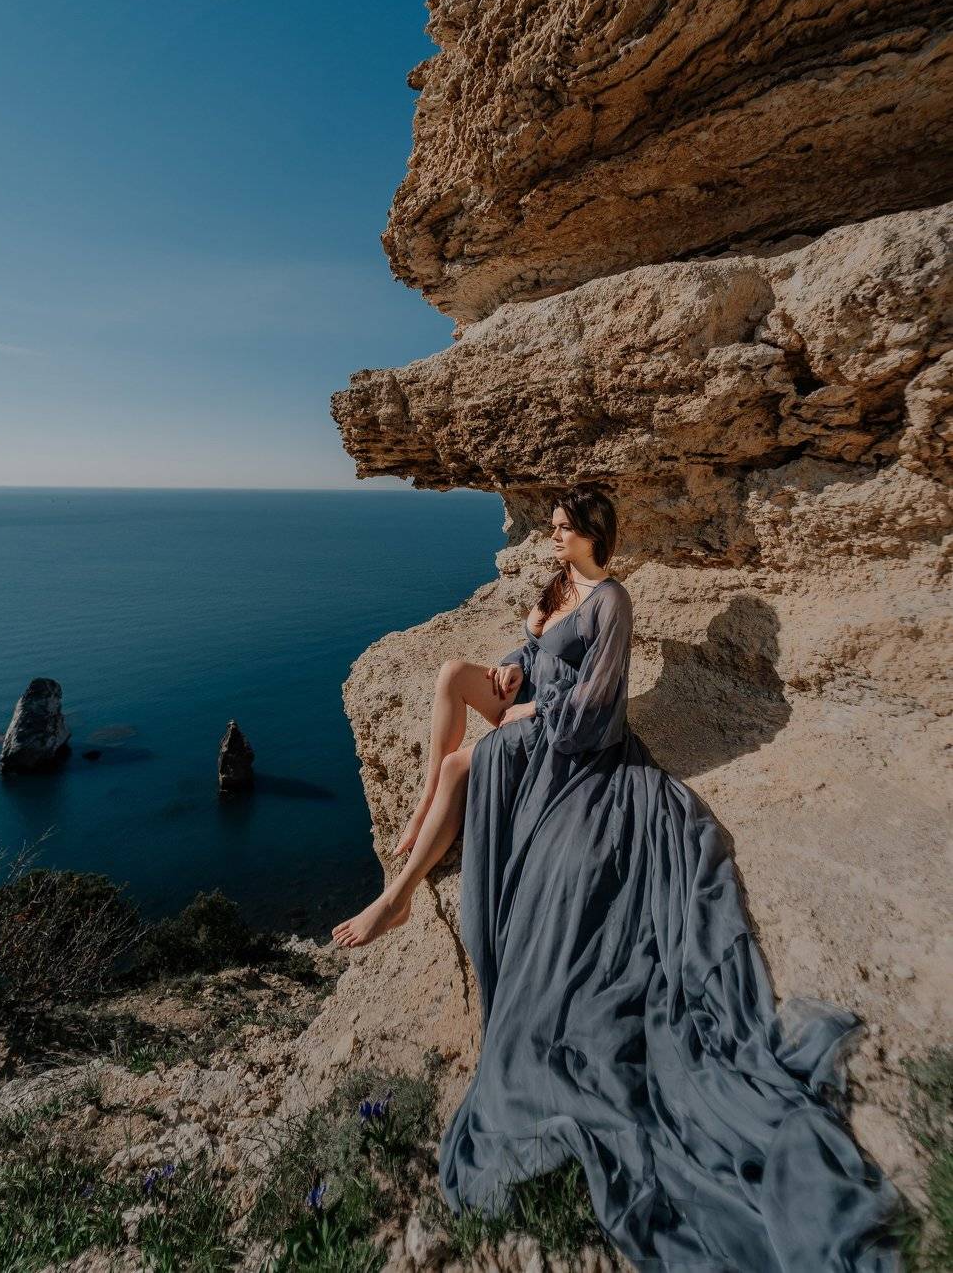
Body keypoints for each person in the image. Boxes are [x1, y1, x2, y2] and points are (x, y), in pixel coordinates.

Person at [333, 485, 902, 1270]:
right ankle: (424, 807)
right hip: (535, 715)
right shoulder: (558, 588)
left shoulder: (612, 602)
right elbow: (533, 655)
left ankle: (396, 897)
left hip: (573, 750)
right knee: (451, 675)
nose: (551, 537)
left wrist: (531, 713)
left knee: (473, 760)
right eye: (550, 527)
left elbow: (598, 712)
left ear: (592, 533)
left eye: (562, 529)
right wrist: (510, 671)